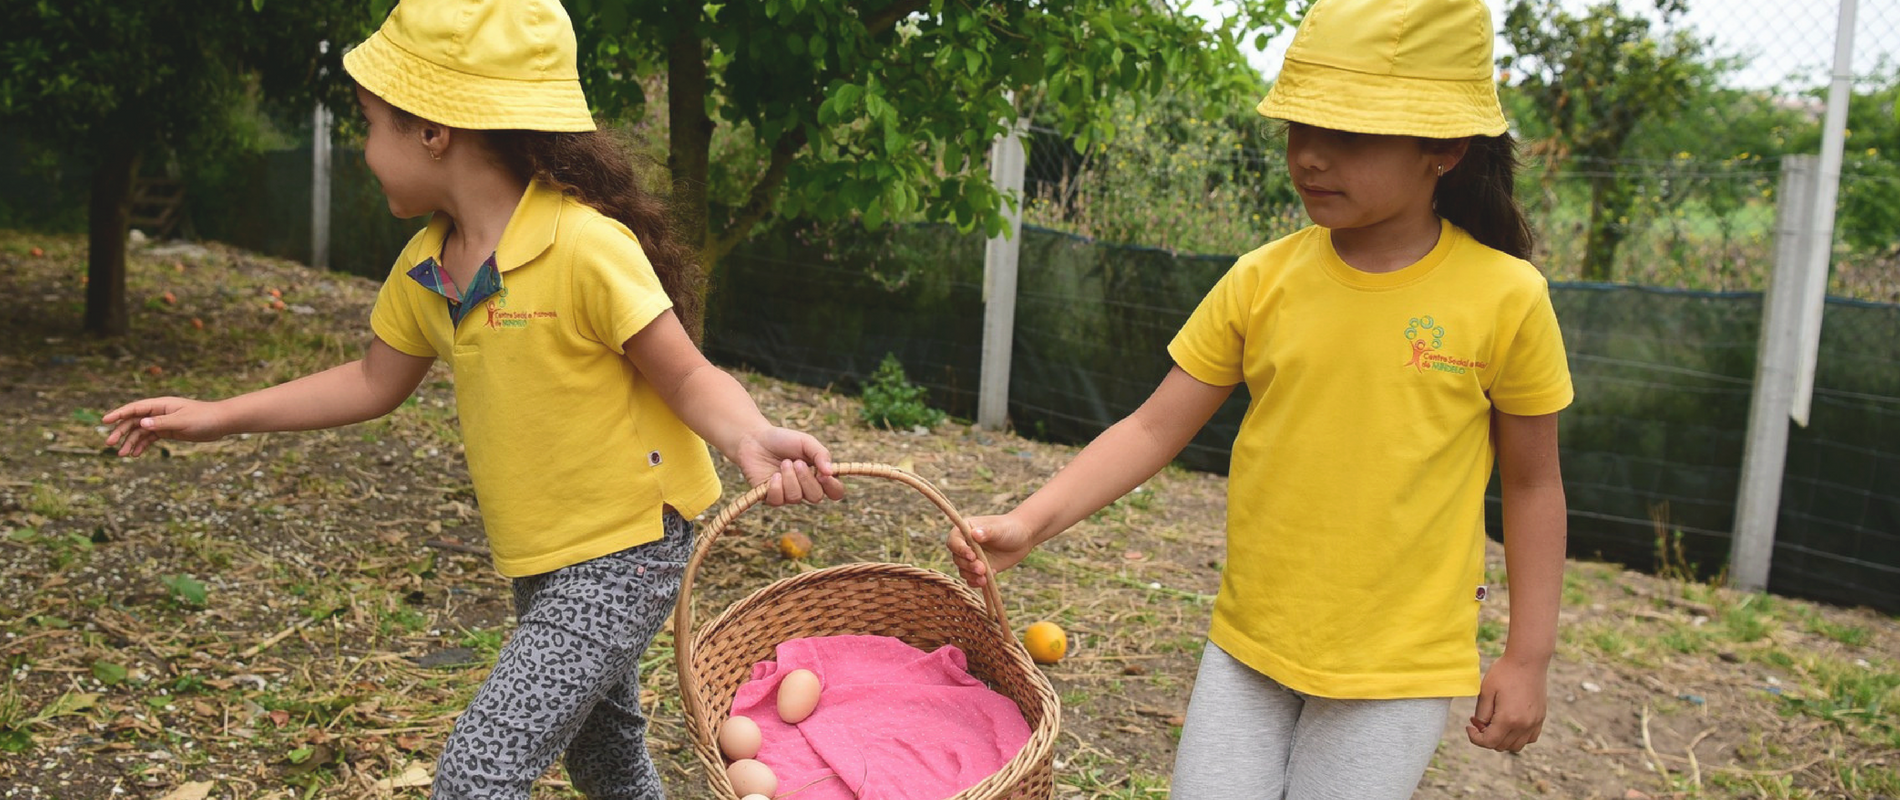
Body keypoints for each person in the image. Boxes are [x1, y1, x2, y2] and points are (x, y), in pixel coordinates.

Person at [102, 1, 845, 797]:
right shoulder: (429, 265)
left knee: (475, 774)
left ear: (433, 130)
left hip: (628, 547)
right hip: (543, 555)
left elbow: (688, 375)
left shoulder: (584, 246)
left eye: (369, 125)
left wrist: (748, 435)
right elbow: (371, 380)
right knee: (604, 758)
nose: (364, 150)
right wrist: (218, 416)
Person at [949, 0, 1572, 797]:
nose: (1309, 155)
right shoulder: (1262, 279)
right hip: (1248, 647)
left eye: (1348, 134)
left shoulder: (1507, 298)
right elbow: (1152, 428)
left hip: (1395, 670)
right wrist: (1030, 522)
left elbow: (1532, 483)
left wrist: (1528, 657)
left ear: (1445, 147)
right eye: (1298, 126)